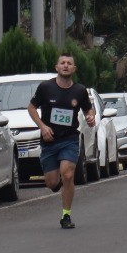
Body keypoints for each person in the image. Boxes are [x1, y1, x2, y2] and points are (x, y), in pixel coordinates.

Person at [27, 52, 97, 229]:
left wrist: (90, 117)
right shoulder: (45, 88)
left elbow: (89, 110)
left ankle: (66, 215)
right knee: (51, 183)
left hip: (69, 139)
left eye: (69, 63)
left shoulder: (79, 91)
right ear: (56, 67)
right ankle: (58, 183)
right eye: (62, 63)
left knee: (67, 174)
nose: (65, 65)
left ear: (74, 68)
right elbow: (31, 107)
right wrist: (43, 127)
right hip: (50, 141)